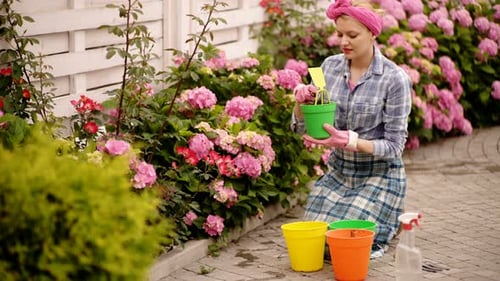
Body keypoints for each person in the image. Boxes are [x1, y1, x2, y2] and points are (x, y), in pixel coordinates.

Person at [291, 0, 412, 258]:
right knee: (318, 241)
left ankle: (389, 218)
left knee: (343, 244)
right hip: (340, 173)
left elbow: (394, 148)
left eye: (352, 35)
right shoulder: (328, 68)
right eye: (340, 34)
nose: (344, 41)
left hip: (379, 174)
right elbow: (303, 127)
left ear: (372, 33)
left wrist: (352, 140)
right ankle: (385, 219)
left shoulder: (394, 79)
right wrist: (302, 104)